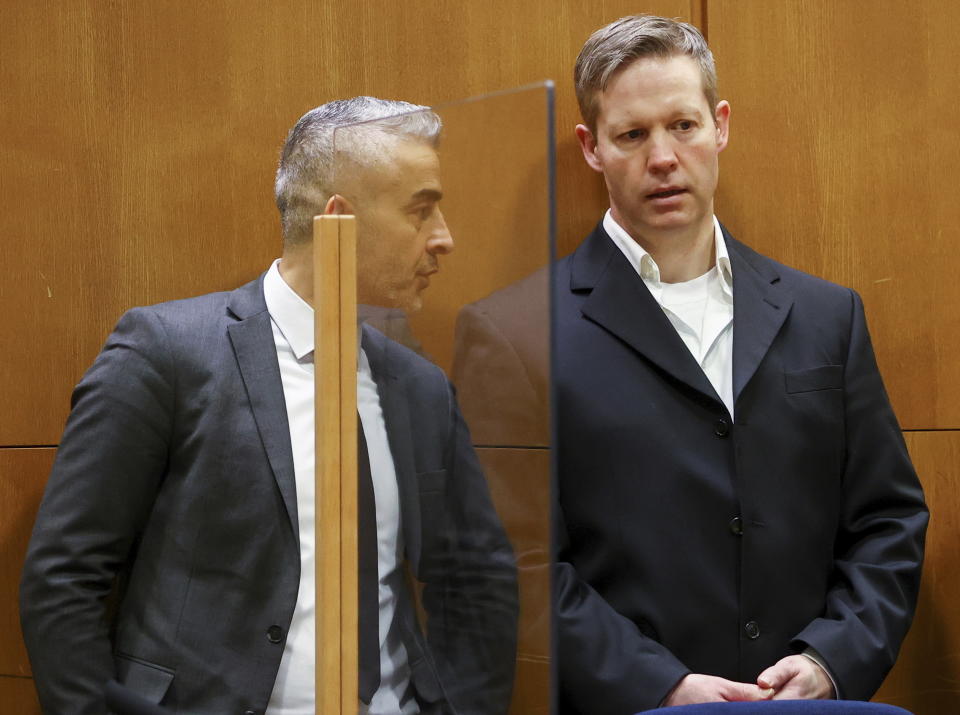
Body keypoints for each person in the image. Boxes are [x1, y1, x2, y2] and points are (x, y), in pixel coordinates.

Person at [454, 14, 927, 714]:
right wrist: (658, 682)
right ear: (591, 147)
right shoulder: (512, 332)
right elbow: (515, 566)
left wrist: (831, 658)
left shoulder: (829, 315)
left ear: (721, 124)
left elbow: (888, 520)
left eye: (683, 125)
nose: (665, 157)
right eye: (632, 134)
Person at [20, 97, 518, 715]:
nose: (445, 238)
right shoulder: (167, 354)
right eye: (421, 211)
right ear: (339, 223)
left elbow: (477, 580)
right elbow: (65, 577)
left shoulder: (420, 387)